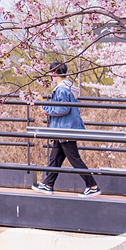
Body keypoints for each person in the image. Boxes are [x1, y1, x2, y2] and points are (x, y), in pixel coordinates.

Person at [33, 62, 100, 196]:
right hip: (64, 128)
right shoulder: (68, 87)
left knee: (74, 158)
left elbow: (63, 108)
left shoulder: (62, 89)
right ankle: (48, 184)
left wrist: (46, 109)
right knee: (55, 158)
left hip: (65, 129)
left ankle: (92, 186)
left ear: (54, 73)